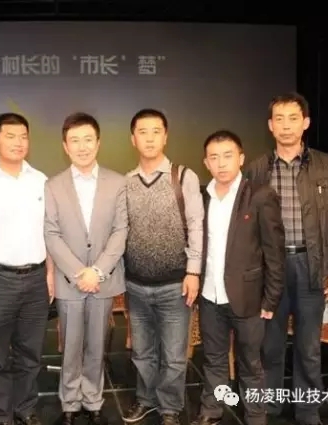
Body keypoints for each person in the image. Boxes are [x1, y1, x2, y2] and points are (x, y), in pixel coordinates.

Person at [245, 92, 328, 425]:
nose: (286, 125)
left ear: (305, 122)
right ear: (270, 125)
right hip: (270, 269)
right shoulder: (256, 169)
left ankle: (307, 409)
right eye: (279, 119)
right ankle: (271, 405)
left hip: (312, 265)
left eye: (293, 118)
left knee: (308, 346)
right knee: (271, 344)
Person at [191, 130, 285, 425]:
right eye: (214, 157)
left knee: (251, 363)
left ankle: (255, 416)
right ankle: (212, 410)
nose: (221, 163)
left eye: (228, 156)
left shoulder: (260, 195)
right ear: (206, 163)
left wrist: (271, 298)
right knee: (213, 358)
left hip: (249, 298)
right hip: (210, 295)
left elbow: (274, 252)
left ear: (241, 158)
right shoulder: (202, 197)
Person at [0, 113, 54, 425]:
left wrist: (50, 275)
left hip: (36, 278)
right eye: (10, 136)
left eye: (23, 136)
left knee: (30, 352)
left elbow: (49, 232)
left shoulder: (41, 180)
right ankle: (1, 414)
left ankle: (26, 409)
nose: (18, 142)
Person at [44, 113, 128, 425]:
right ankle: (69, 402)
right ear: (65, 146)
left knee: (97, 345)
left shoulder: (117, 183)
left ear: (98, 142)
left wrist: (98, 271)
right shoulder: (53, 185)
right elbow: (51, 233)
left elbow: (120, 230)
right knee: (70, 345)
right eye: (75, 141)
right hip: (71, 281)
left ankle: (93, 400)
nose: (82, 147)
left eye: (88, 139)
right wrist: (80, 272)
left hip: (103, 280)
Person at [122, 109, 204, 425]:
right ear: (133, 139)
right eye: (143, 132)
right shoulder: (125, 183)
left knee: (173, 355)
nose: (150, 138)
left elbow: (196, 225)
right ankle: (145, 399)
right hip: (136, 285)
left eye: (156, 131)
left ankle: (170, 407)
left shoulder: (183, 176)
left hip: (175, 284)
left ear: (165, 136)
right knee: (142, 352)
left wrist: (193, 271)